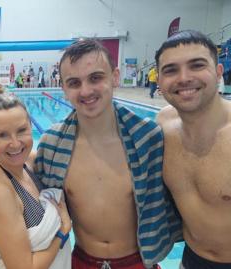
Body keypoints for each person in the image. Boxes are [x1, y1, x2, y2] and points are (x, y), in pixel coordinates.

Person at [34, 39, 181, 269]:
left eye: (95, 78)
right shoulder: (51, 146)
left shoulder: (147, 138)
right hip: (81, 261)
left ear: (115, 77)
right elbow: (21, 179)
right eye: (74, 82)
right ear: (62, 88)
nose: (85, 91)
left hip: (138, 262)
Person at [155, 30, 231, 269]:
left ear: (218, 72)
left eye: (197, 65)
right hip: (190, 260)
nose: (184, 78)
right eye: (171, 70)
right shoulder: (163, 125)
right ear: (159, 81)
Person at [0, 88, 72, 269]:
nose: (15, 144)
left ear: (30, 125)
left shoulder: (30, 162)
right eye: (2, 135)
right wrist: (62, 231)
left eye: (21, 130)